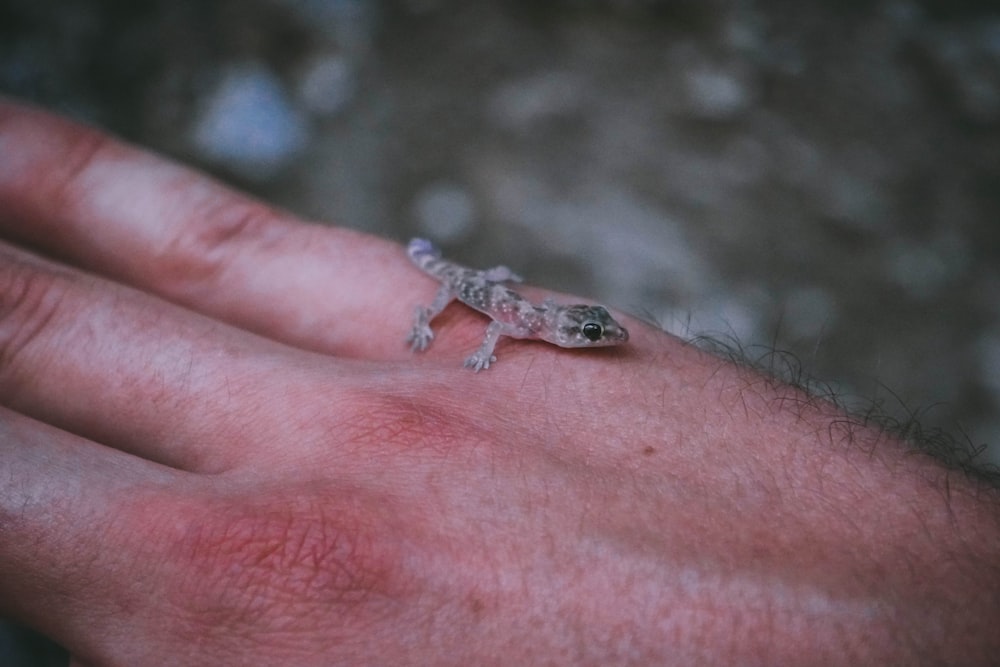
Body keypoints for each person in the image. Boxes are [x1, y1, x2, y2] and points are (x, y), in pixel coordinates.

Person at [0, 96, 997, 666]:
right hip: (469, 293)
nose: (598, 338)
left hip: (496, 295)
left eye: (595, 335)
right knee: (454, 291)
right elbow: (497, 322)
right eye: (593, 333)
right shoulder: (521, 322)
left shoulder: (562, 325)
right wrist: (470, 333)